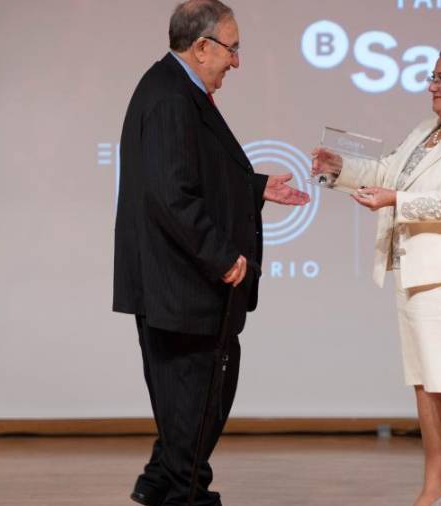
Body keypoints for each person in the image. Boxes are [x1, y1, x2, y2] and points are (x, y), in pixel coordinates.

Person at [112, 1, 309, 505]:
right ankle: (183, 495)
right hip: (184, 285)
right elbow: (171, 195)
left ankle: (161, 481)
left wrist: (256, 186)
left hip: (175, 286)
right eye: (232, 49)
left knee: (188, 402)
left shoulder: (172, 88)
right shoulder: (172, 98)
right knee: (197, 403)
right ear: (202, 47)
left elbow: (193, 173)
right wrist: (222, 256)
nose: (236, 62)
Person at [312, 37, 441, 506]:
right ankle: (437, 485)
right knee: (427, 384)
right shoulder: (431, 130)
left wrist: (397, 201)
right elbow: (389, 171)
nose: (432, 88)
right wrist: (340, 167)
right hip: (417, 271)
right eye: (432, 77)